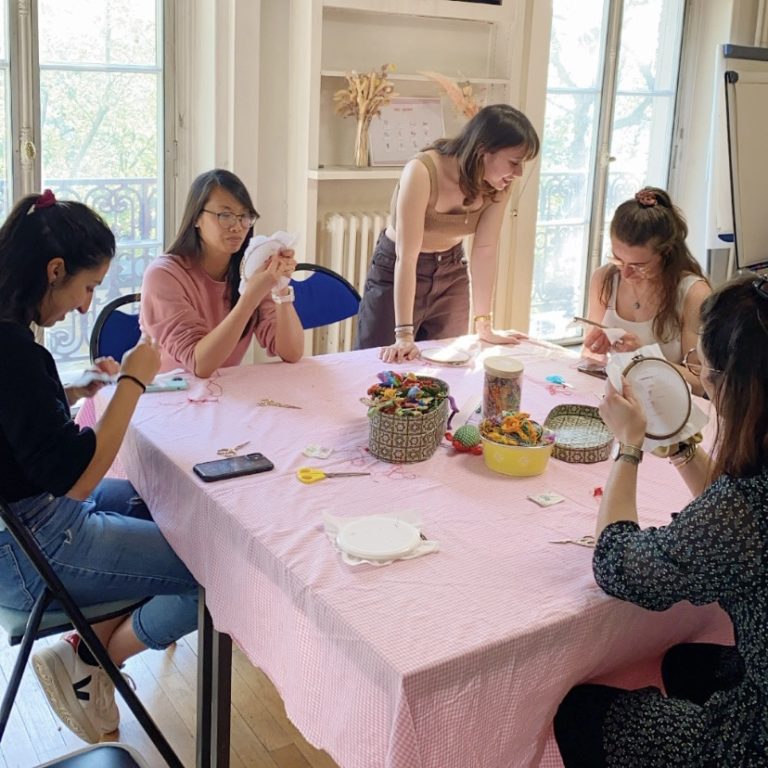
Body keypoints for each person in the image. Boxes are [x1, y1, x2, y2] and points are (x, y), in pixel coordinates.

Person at [0, 190, 199, 744]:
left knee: (148, 501)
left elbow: (17, 425)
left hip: (21, 529)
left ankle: (85, 655)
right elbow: (79, 477)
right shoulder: (15, 353)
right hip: (32, 548)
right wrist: (134, 380)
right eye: (87, 287)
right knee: (214, 570)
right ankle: (93, 662)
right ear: (54, 270)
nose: (87, 305)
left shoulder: (12, 343)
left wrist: (65, 390)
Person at [555, 274, 768, 767]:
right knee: (681, 661)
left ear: (734, 387)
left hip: (756, 739)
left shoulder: (743, 510)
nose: (702, 378)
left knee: (580, 712)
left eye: (704, 371)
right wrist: (677, 447)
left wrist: (628, 446)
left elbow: (616, 566)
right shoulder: (743, 502)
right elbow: (732, 523)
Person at [355, 104, 540, 363]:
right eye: (514, 162)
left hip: (451, 271)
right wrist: (404, 335)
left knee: (448, 364)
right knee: (378, 364)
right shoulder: (422, 171)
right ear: (483, 150)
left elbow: (485, 249)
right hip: (398, 270)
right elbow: (406, 258)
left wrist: (484, 324)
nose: (518, 173)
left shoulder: (498, 185)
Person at [140, 169, 304, 377]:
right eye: (225, 215)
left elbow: (292, 353)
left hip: (222, 394)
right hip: (168, 394)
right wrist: (250, 296)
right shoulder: (163, 276)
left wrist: (281, 287)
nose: (237, 227)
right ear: (196, 218)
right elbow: (199, 365)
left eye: (244, 216)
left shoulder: (249, 269)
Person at [582, 187, 711, 393]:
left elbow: (699, 384)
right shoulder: (605, 279)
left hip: (668, 411)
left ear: (665, 253)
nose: (625, 274)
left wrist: (643, 357)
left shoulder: (693, 294)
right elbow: (591, 358)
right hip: (616, 401)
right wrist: (596, 349)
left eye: (639, 266)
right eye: (617, 259)